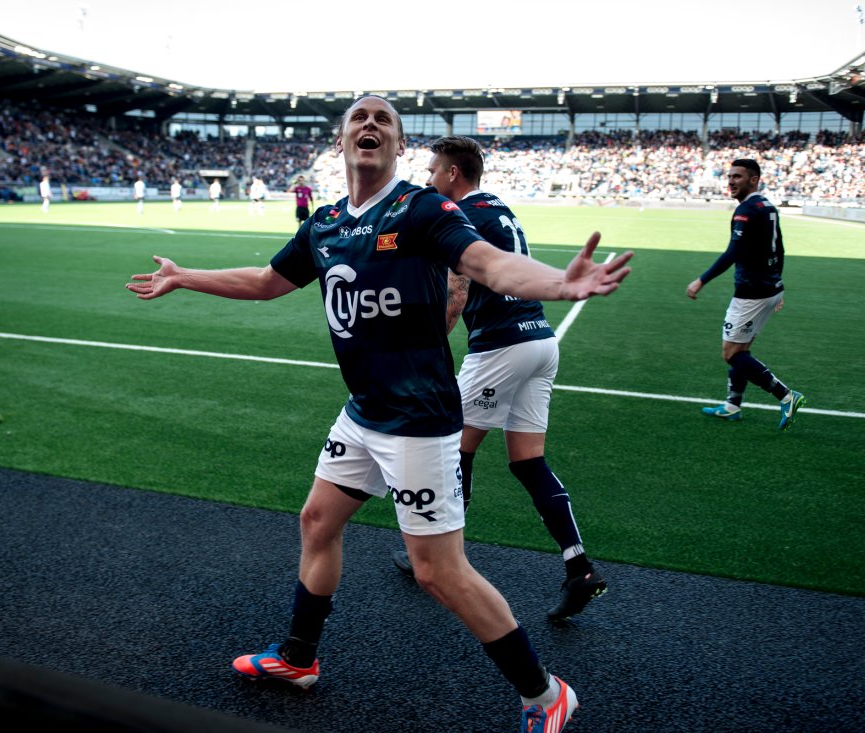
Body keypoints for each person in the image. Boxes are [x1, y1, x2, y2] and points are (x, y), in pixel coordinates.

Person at [126, 95, 633, 733]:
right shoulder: (327, 222)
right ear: (341, 143)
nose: (370, 126)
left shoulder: (421, 208)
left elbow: (485, 262)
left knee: (437, 572)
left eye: (383, 120)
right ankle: (297, 659)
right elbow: (267, 280)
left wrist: (560, 282)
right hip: (362, 412)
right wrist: (185, 275)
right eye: (358, 119)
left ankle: (544, 693)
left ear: (398, 147)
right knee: (317, 520)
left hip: (419, 421)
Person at [389, 135, 607, 622]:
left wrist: (425, 339)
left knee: (453, 449)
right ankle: (580, 568)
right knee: (528, 462)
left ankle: (444, 560)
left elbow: (458, 290)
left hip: (501, 345)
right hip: (540, 340)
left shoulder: (460, 214)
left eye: (432, 170)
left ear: (451, 175)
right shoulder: (498, 206)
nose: (427, 178)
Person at [685, 158, 804, 430]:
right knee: (743, 348)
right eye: (729, 176)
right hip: (769, 288)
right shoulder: (768, 206)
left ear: (753, 179)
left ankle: (786, 396)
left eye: (738, 176)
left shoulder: (747, 210)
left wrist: (701, 280)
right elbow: (780, 249)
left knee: (731, 353)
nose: (731, 181)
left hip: (751, 293)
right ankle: (732, 406)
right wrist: (779, 285)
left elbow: (733, 253)